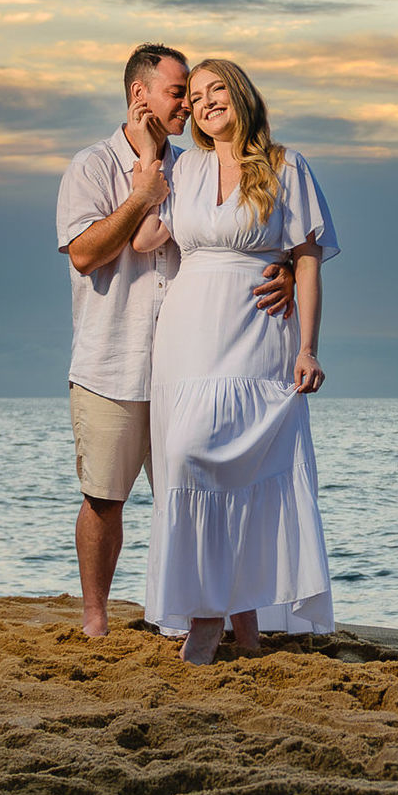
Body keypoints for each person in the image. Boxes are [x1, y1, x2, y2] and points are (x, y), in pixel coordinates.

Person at [56, 44, 295, 639]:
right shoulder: (92, 167)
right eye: (177, 93)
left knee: (194, 493)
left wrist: (286, 268)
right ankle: (95, 619)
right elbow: (84, 254)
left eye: (191, 94)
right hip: (112, 359)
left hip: (190, 364)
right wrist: (142, 191)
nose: (188, 105)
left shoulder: (194, 167)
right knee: (104, 497)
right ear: (139, 95)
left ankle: (197, 615)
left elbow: (239, 232)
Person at [131, 56, 338, 665]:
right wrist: (149, 161)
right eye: (194, 97)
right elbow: (145, 240)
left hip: (258, 333)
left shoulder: (286, 166)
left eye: (216, 89)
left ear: (241, 94)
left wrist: (307, 347)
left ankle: (216, 621)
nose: (205, 103)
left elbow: (307, 261)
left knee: (245, 470)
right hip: (187, 335)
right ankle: (228, 618)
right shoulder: (184, 167)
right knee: (186, 456)